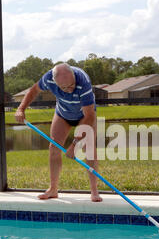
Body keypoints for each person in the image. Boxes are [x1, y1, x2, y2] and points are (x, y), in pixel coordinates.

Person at [14, 63, 102, 202]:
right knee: (54, 148)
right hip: (62, 114)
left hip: (84, 116)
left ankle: (94, 191)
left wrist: (74, 145)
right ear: (54, 82)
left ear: (73, 76)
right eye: (64, 88)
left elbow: (89, 116)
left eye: (71, 85)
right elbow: (34, 90)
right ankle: (53, 189)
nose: (69, 90)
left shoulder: (83, 82)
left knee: (89, 150)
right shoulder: (48, 78)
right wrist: (21, 108)